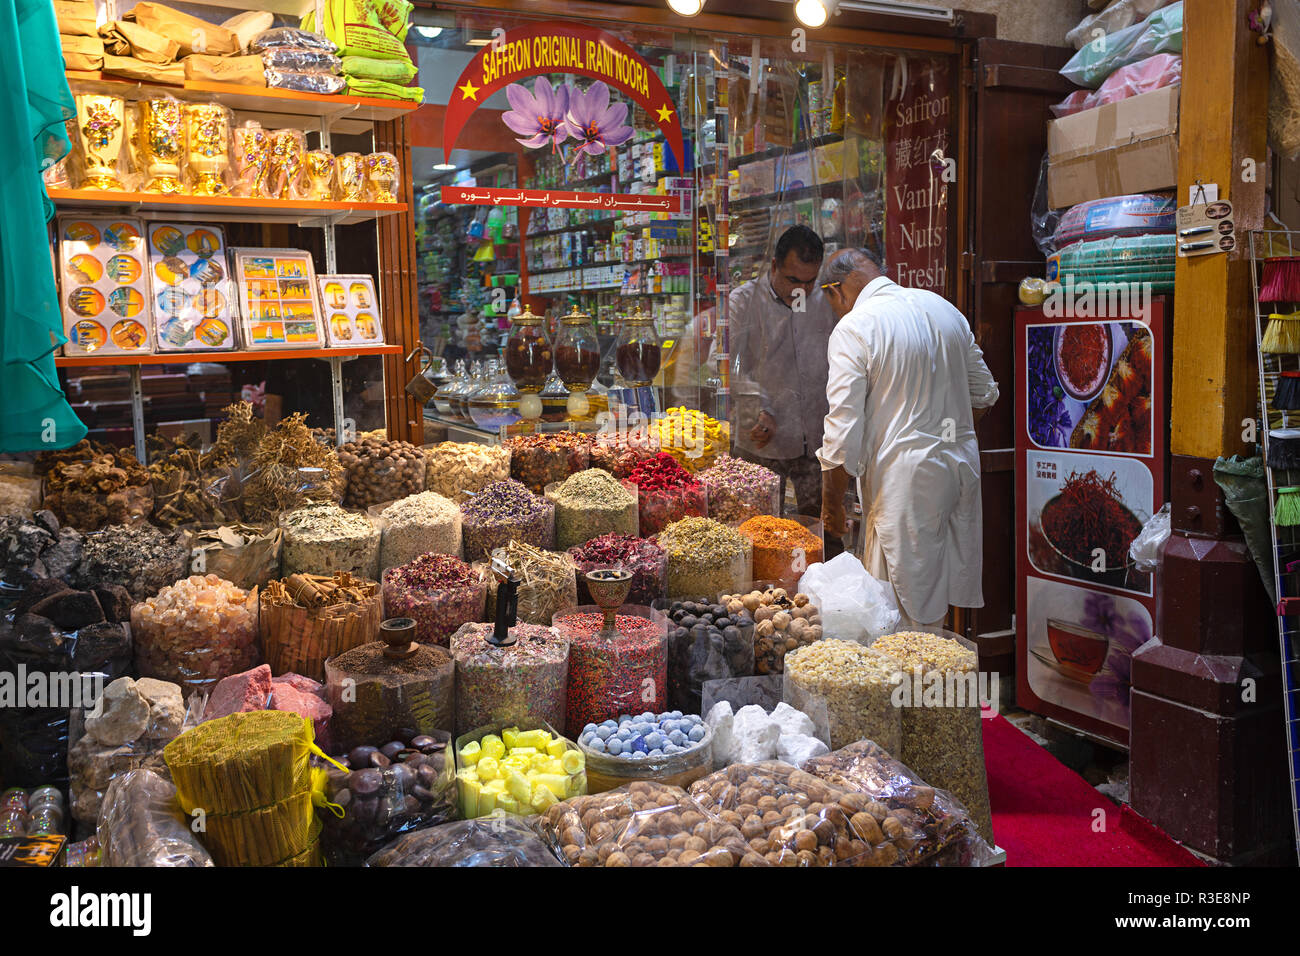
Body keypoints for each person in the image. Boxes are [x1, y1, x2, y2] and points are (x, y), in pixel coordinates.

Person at [816, 248, 999, 629]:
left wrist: (831, 514)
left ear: (839, 289)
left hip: (903, 485)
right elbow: (983, 394)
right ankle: (938, 681)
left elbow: (842, 433)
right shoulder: (943, 309)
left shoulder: (855, 328)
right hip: (958, 471)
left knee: (897, 613)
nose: (834, 309)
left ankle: (910, 688)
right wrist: (942, 432)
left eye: (829, 300)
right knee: (937, 598)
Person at [718, 225, 838, 519]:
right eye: (793, 279)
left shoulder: (828, 300)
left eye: (810, 282)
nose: (801, 290)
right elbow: (721, 362)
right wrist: (757, 404)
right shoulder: (743, 302)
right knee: (761, 531)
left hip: (818, 443)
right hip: (763, 443)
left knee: (824, 533)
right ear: (774, 266)